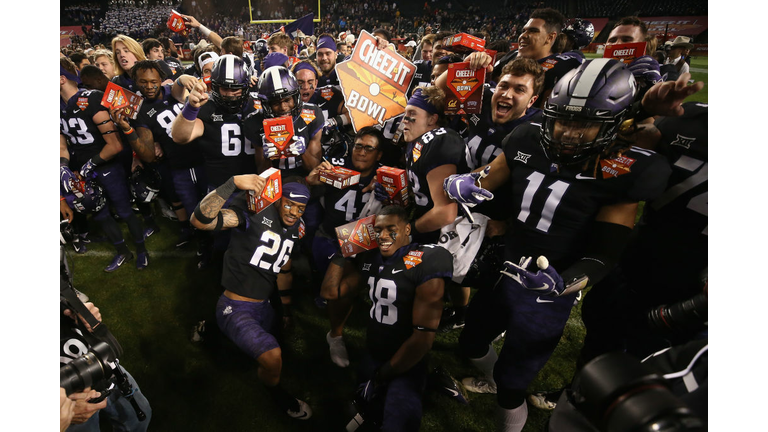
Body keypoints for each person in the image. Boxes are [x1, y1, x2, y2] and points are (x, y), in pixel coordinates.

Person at [442, 58, 696, 432]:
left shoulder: (625, 168)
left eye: (584, 124)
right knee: (471, 344)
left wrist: (564, 282)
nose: (568, 133)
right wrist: (459, 184)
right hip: (503, 267)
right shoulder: (528, 137)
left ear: (614, 125)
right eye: (562, 119)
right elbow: (480, 179)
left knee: (513, 388)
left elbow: (604, 254)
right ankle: (493, 375)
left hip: (547, 288)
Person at [190, 176, 313, 420]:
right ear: (278, 199)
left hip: (264, 303)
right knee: (272, 356)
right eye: (289, 204)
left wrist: (286, 307)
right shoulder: (254, 214)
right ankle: (279, 397)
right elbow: (200, 221)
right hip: (235, 307)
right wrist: (231, 184)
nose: (294, 212)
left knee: (275, 349)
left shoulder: (297, 228)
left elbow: (283, 266)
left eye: (301, 208)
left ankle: (207, 330)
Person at [343, 205, 452, 431]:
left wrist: (382, 375)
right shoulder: (372, 257)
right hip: (373, 352)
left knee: (399, 422)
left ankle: (431, 379)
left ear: (407, 229)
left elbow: (423, 339)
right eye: (378, 230)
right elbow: (330, 293)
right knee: (359, 413)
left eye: (391, 229)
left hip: (408, 359)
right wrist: (341, 250)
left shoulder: (428, 258)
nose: (383, 236)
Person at [60, 57, 150, 271]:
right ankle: (122, 252)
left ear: (61, 79)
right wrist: (63, 166)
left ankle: (142, 250)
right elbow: (61, 144)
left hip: (106, 166)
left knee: (125, 211)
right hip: (81, 171)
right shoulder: (54, 108)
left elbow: (115, 144)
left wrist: (90, 164)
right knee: (100, 214)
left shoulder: (93, 98)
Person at [305, 127, 384, 367]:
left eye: (369, 148)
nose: (361, 152)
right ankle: (336, 335)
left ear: (379, 155)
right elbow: (309, 189)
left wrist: (394, 193)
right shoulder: (336, 166)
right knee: (337, 289)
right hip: (331, 238)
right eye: (358, 145)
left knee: (351, 285)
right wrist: (311, 179)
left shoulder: (385, 176)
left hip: (367, 243)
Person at [375, 87, 468, 245]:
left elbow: (445, 213)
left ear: (432, 119)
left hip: (447, 239)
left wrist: (408, 231)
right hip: (430, 231)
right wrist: (395, 192)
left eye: (412, 114)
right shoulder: (417, 143)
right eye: (405, 113)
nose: (404, 119)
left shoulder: (439, 140)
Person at [171, 54, 259, 191]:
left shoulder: (258, 105)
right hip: (222, 189)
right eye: (224, 88)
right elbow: (180, 136)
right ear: (216, 87)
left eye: (235, 89)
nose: (230, 94)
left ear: (246, 87)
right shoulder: (206, 106)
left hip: (257, 184)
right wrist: (191, 108)